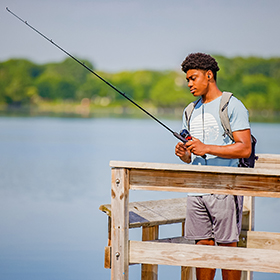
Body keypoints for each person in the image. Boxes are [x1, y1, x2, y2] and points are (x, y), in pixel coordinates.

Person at [175, 53, 251, 280]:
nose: (189, 84)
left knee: (227, 248)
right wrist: (184, 154)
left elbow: (244, 148)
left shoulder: (232, 105)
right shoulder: (189, 111)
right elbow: (191, 155)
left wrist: (206, 147)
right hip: (196, 191)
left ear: (209, 75)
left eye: (193, 78)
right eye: (187, 79)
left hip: (225, 190)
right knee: (203, 247)